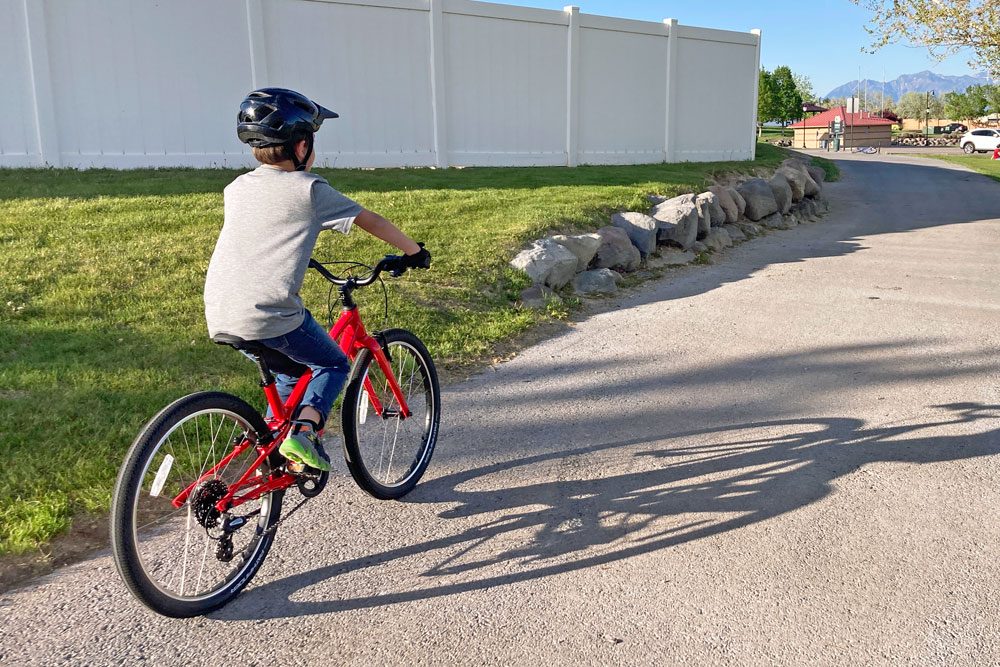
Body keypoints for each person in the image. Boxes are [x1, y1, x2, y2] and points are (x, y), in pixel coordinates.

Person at [204, 88, 430, 472]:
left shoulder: (237, 188)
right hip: (270, 313)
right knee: (334, 365)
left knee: (291, 371)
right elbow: (369, 220)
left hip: (222, 308)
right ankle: (304, 433)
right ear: (303, 144)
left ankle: (272, 446)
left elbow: (266, 230)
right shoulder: (310, 190)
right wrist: (414, 251)